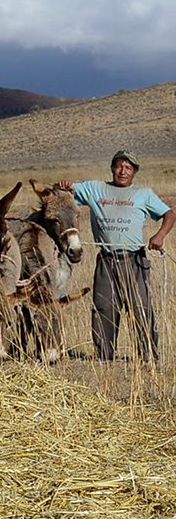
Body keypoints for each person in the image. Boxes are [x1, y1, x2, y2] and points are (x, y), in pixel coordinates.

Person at [58, 150, 175, 362]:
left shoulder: (144, 193)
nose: (123, 171)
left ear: (134, 172)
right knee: (104, 308)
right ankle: (105, 358)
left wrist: (160, 235)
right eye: (119, 166)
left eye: (128, 168)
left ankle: (149, 357)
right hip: (106, 260)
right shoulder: (95, 188)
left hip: (135, 261)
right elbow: (67, 191)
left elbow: (169, 214)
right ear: (112, 168)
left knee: (141, 308)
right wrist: (64, 185)